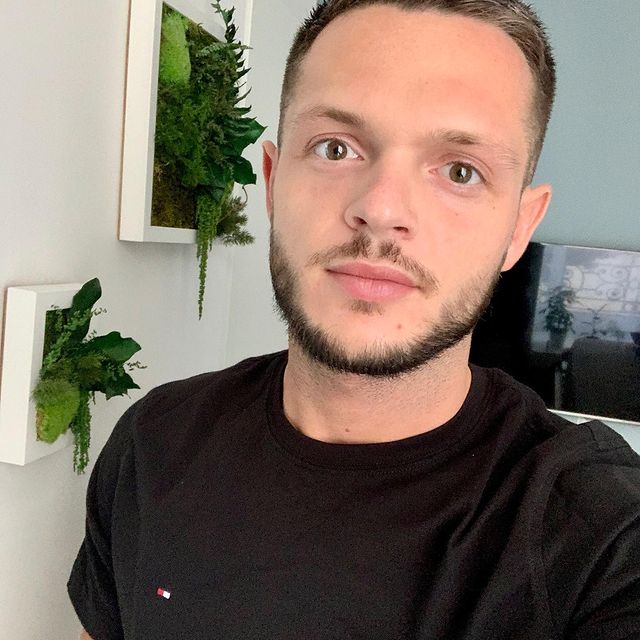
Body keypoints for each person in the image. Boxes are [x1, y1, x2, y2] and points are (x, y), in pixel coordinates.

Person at [70, 1, 640, 638]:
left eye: (460, 171)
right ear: (271, 182)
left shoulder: (600, 538)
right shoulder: (153, 441)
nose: (381, 208)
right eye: (335, 148)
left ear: (518, 228)